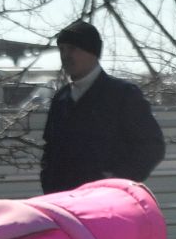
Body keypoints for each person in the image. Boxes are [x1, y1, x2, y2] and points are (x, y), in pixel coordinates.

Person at [39, 20, 166, 194]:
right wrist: (50, 185)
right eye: (62, 49)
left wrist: (115, 180)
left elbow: (152, 147)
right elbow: (50, 150)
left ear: (92, 52)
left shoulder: (122, 95)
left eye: (73, 49)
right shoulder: (61, 99)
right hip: (64, 205)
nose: (66, 55)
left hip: (106, 205)